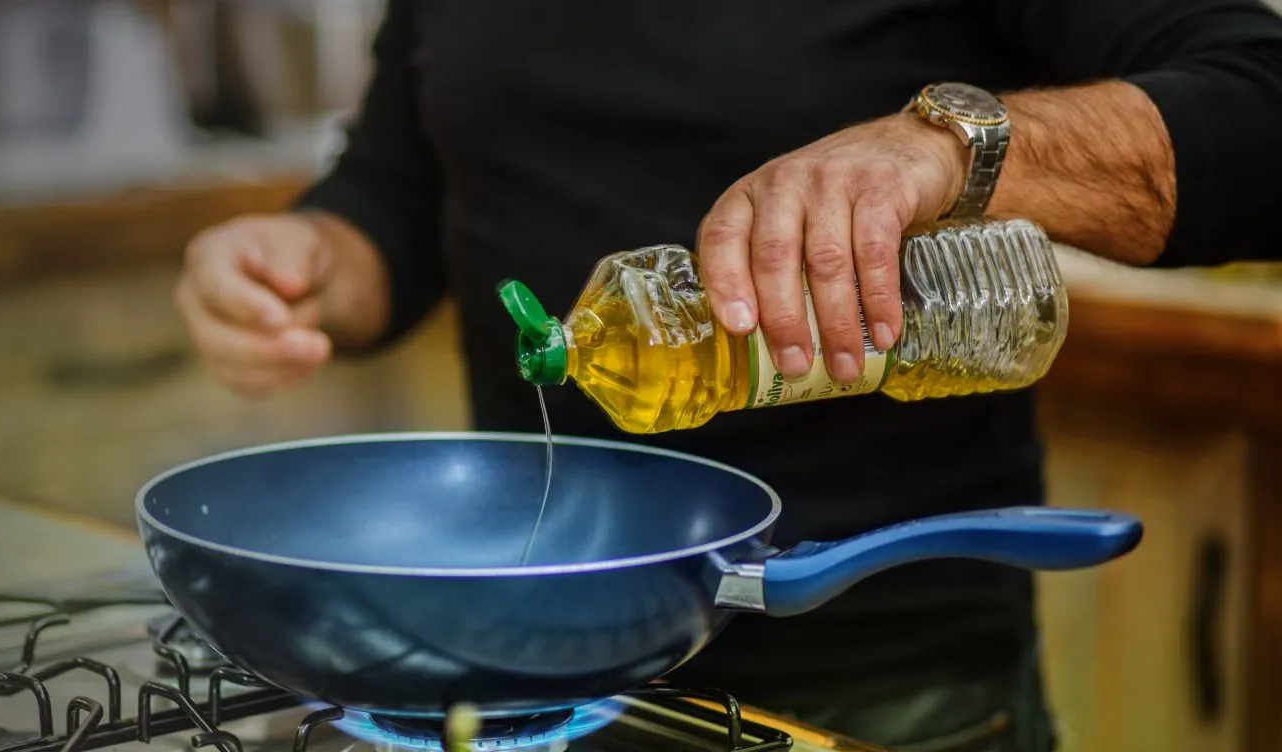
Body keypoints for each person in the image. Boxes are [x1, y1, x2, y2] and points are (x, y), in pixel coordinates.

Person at [174, 2, 1282, 749]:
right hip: (519, 667)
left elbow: (1259, 104)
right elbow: (397, 188)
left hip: (878, 683)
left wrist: (953, 148)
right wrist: (315, 260)